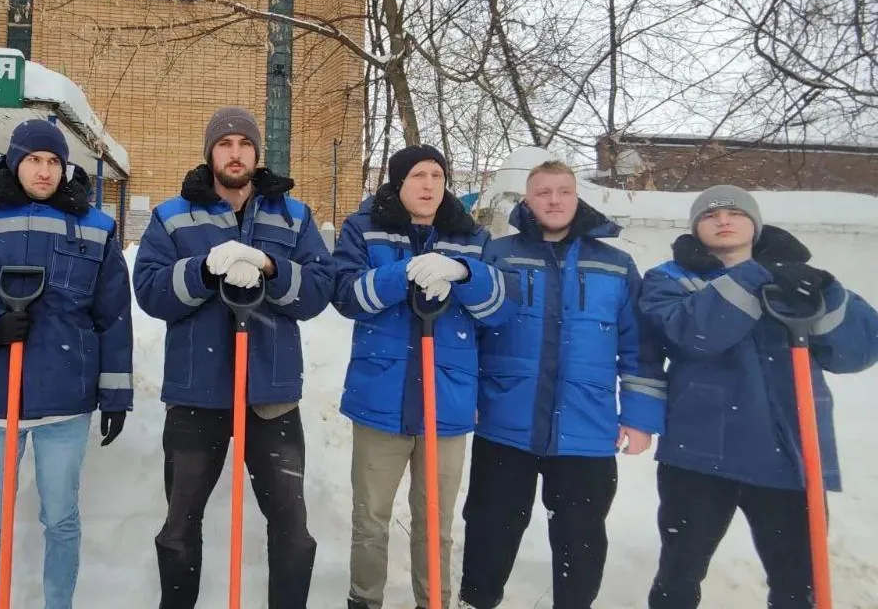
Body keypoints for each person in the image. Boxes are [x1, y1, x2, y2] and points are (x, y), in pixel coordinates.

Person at [0, 119, 132, 609]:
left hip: (65, 398)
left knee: (61, 520)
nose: (44, 170)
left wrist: (115, 391)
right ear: (13, 161)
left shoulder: (94, 227)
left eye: (54, 161)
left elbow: (112, 313)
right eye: (34, 159)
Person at [132, 106, 334, 609]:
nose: (235, 153)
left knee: (292, 528)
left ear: (257, 154)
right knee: (179, 525)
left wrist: (271, 267)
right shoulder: (172, 215)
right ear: (210, 153)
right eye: (225, 144)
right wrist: (201, 271)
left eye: (244, 144)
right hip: (197, 392)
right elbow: (151, 291)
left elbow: (318, 290)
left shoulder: (293, 216)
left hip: (271, 397)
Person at [641, 185, 878, 609]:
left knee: (797, 582)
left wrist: (826, 294)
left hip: (789, 450)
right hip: (699, 453)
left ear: (755, 223)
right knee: (680, 571)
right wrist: (755, 275)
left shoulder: (798, 276)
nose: (724, 220)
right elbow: (692, 335)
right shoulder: (671, 278)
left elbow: (855, 352)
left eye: (735, 212)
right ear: (697, 228)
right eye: (711, 215)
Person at [457, 160, 665, 609]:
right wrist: (466, 397)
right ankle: (477, 600)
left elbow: (639, 346)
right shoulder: (501, 254)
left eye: (563, 191)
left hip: (585, 428)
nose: (554, 200)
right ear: (527, 200)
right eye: (543, 192)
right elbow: (470, 334)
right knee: (490, 526)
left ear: (577, 198)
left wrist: (639, 417)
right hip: (504, 419)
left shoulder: (615, 264)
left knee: (581, 538)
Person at [332, 144, 515, 609]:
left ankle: (434, 601)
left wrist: (462, 271)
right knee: (370, 517)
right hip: (381, 397)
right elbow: (347, 295)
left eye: (436, 174)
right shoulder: (364, 228)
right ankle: (365, 598)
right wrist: (403, 275)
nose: (429, 184)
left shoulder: (471, 236)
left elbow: (501, 307)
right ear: (398, 183)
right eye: (417, 175)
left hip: (447, 400)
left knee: (436, 520)